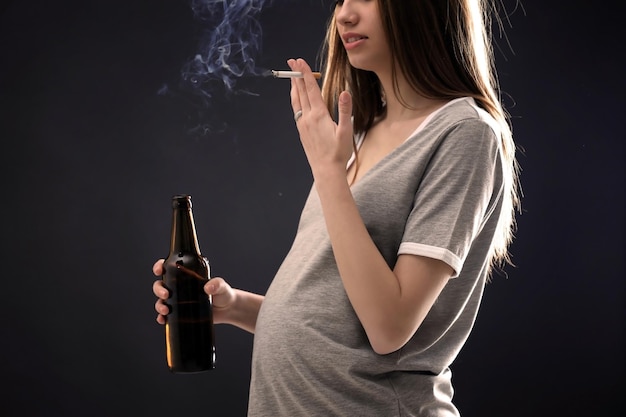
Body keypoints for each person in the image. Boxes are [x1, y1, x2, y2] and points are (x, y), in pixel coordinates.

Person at [153, 0, 521, 415]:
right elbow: (340, 321)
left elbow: (388, 327)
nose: (344, 15)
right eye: (342, 0)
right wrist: (236, 306)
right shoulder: (362, 130)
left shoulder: (464, 133)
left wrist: (329, 172)